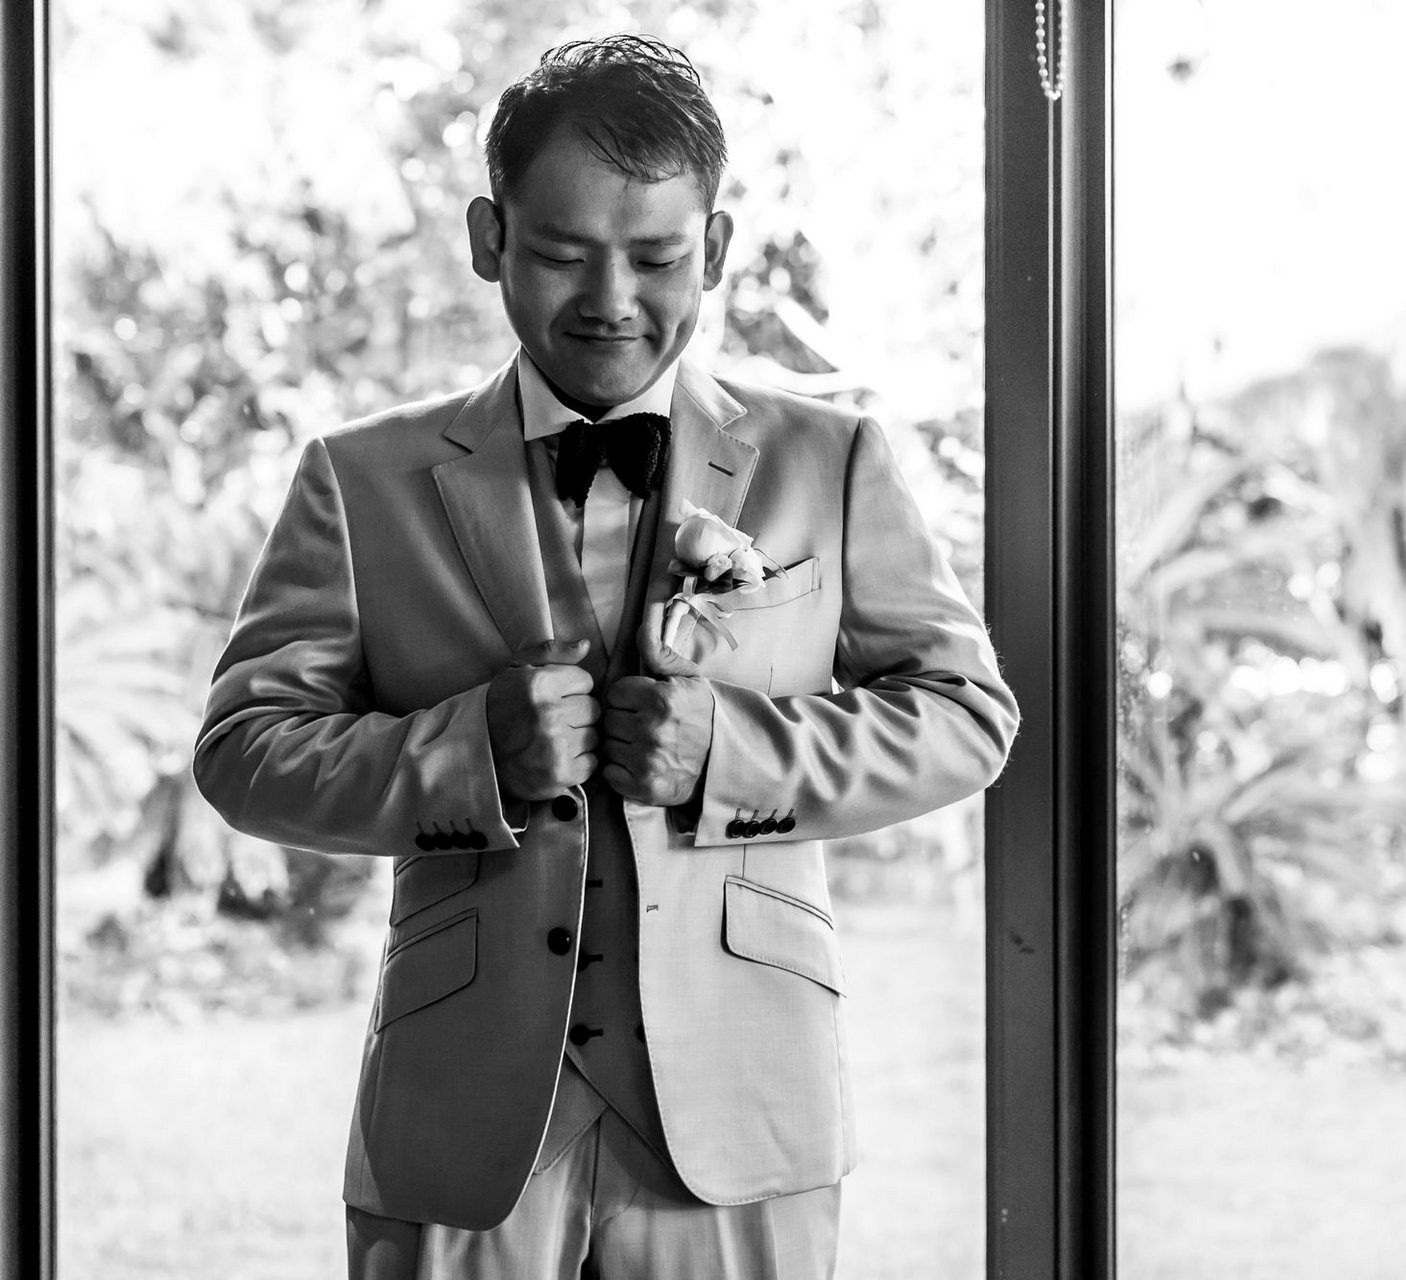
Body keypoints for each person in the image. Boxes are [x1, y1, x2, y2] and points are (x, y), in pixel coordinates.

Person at [192, 34, 1017, 1279]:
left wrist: (729, 753)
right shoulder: (359, 479)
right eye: (564, 253)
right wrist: (471, 752)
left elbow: (965, 714)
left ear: (717, 249)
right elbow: (245, 751)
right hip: (460, 1115)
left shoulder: (831, 460)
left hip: (742, 1112)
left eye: (658, 257)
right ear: (489, 239)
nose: (612, 299)